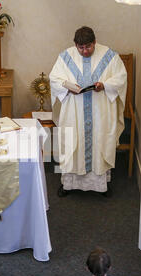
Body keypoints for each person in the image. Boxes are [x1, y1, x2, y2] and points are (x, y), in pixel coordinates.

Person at [49, 26, 127, 198]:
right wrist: (67, 88)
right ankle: (68, 184)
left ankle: (101, 185)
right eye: (81, 48)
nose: (85, 51)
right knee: (72, 145)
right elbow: (54, 79)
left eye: (88, 47)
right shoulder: (65, 57)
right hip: (73, 111)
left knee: (100, 142)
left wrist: (104, 85)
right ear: (75, 45)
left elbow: (121, 77)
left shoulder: (109, 56)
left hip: (100, 110)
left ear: (95, 42)